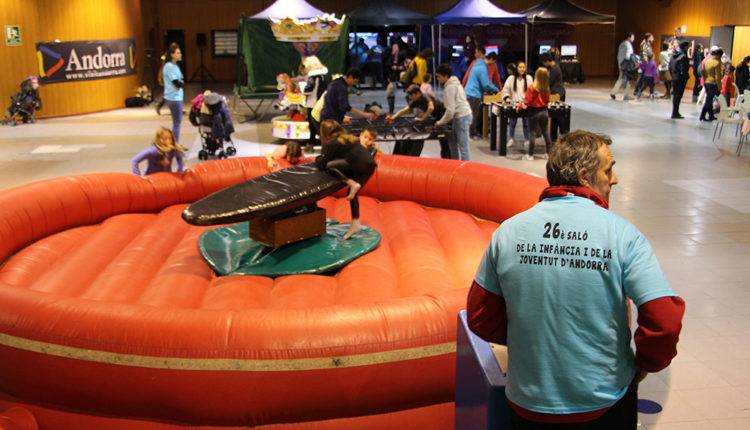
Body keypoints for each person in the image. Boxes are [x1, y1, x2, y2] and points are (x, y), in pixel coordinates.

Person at [468, 130, 685, 429]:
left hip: (529, 401)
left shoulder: (508, 233)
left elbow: (480, 316)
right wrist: (646, 363)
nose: (615, 179)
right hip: (605, 402)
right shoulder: (622, 235)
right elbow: (664, 318)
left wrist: (531, 341)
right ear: (584, 176)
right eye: (608, 170)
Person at [315, 119, 377, 240]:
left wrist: (317, 158)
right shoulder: (349, 137)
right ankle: (355, 223)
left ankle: (351, 182)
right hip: (370, 166)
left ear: (324, 134)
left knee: (330, 166)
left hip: (357, 164)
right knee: (352, 193)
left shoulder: (334, 142)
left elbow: (323, 164)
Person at [388, 84, 446, 156]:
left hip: (444, 115)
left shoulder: (425, 97)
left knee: (444, 140)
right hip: (436, 116)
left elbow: (431, 107)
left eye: (411, 95)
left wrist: (422, 118)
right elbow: (405, 110)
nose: (410, 97)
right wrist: (393, 117)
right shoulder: (415, 100)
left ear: (418, 93)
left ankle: (447, 156)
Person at [435, 63, 473, 161]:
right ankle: (455, 165)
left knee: (463, 146)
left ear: (446, 76)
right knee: (453, 144)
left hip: (462, 116)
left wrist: (440, 122)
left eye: (439, 76)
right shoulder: (455, 83)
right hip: (460, 116)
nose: (438, 79)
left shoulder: (450, 88)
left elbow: (450, 110)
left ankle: (465, 168)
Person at [517, 67, 552, 161]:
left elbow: (527, 101)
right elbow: (547, 101)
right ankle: (548, 153)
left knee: (532, 133)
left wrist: (520, 106)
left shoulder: (532, 88)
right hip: (544, 111)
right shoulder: (547, 88)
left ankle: (530, 155)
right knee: (546, 132)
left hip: (534, 112)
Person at [464, 46, 499, 140]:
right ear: (492, 60)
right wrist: (496, 90)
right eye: (493, 62)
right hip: (474, 94)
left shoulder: (476, 64)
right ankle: (472, 134)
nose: (493, 65)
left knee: (471, 114)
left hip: (469, 93)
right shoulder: (482, 68)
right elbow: (486, 84)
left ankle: (470, 133)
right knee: (474, 115)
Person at [501, 61, 532, 148]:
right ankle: (511, 139)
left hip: (525, 104)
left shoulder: (529, 78)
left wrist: (525, 103)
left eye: (523, 67)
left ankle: (527, 139)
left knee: (526, 123)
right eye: (520, 67)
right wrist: (507, 98)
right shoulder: (511, 78)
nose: (522, 69)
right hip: (514, 104)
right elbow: (505, 89)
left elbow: (531, 92)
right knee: (512, 122)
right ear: (517, 68)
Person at [161, 43, 185, 143]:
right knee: (177, 123)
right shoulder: (169, 66)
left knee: (177, 123)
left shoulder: (175, 66)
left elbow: (182, 80)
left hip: (178, 96)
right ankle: (175, 145)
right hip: (173, 97)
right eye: (178, 53)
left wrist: (180, 83)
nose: (180, 55)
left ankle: (175, 143)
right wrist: (180, 83)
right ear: (172, 54)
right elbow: (177, 84)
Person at [610, 33, 636, 101]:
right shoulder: (628, 45)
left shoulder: (622, 44)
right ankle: (625, 95)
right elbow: (628, 56)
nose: (633, 39)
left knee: (621, 79)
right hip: (627, 65)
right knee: (628, 80)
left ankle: (614, 92)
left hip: (621, 64)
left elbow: (618, 55)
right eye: (632, 37)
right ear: (629, 37)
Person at [700, 46, 722, 122]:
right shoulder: (717, 63)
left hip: (706, 82)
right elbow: (718, 77)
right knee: (709, 100)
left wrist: (705, 81)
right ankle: (702, 115)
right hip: (713, 83)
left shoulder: (707, 61)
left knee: (709, 98)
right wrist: (719, 87)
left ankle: (711, 115)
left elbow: (703, 73)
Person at [670, 41, 691, 119]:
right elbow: (683, 70)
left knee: (675, 95)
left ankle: (674, 112)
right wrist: (685, 77)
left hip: (674, 77)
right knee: (678, 96)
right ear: (685, 47)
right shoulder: (683, 57)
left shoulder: (673, 55)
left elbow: (670, 67)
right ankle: (675, 113)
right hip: (680, 79)